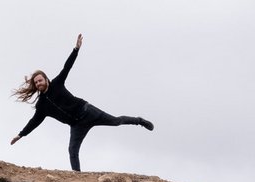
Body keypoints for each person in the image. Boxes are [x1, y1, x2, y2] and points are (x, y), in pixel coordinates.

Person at [11, 34, 154, 171]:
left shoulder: (57, 83)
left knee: (116, 121)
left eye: (40, 80)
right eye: (36, 83)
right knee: (72, 149)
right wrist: (21, 134)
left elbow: (67, 67)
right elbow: (34, 121)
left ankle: (140, 121)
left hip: (87, 111)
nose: (38, 84)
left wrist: (76, 49)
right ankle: (77, 177)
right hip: (76, 125)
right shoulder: (41, 105)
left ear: (46, 79)